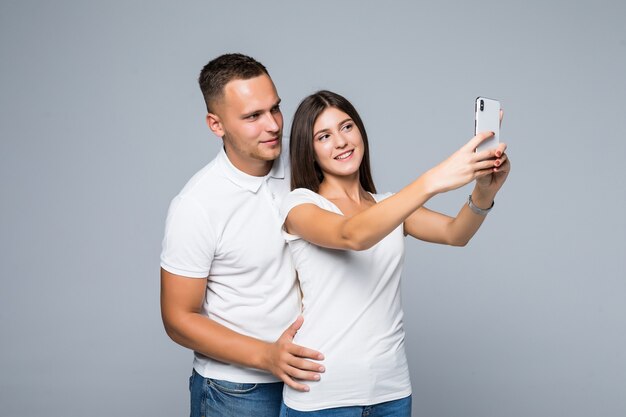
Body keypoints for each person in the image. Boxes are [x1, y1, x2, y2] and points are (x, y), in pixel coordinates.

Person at [279, 90, 510, 416]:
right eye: (324, 136)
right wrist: (434, 180)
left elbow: (456, 233)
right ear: (310, 150)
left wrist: (484, 192)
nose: (341, 142)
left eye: (347, 127)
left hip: (392, 392)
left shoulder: (388, 205)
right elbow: (352, 235)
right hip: (323, 396)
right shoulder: (299, 205)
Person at [159, 54, 325, 417]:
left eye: (275, 109)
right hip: (236, 390)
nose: (273, 125)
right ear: (215, 124)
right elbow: (177, 318)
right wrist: (266, 356)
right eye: (253, 116)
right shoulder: (196, 204)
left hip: (311, 379)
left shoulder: (303, 169)